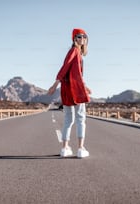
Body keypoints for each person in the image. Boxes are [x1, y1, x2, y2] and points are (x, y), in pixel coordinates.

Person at [48, 28, 91, 158]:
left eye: (84, 37)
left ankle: (65, 149)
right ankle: (80, 148)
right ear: (74, 39)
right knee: (80, 119)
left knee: (69, 119)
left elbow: (76, 73)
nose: (82, 39)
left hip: (68, 90)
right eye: (79, 37)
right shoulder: (74, 51)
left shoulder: (77, 52)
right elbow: (65, 66)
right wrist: (55, 84)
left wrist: (85, 86)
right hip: (75, 90)